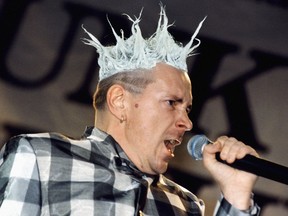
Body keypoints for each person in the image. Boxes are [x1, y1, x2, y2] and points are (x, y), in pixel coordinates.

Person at [0, 5, 260, 216]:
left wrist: (237, 196)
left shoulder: (184, 204)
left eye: (188, 108)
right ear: (119, 101)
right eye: (172, 103)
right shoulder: (40, 158)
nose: (188, 123)